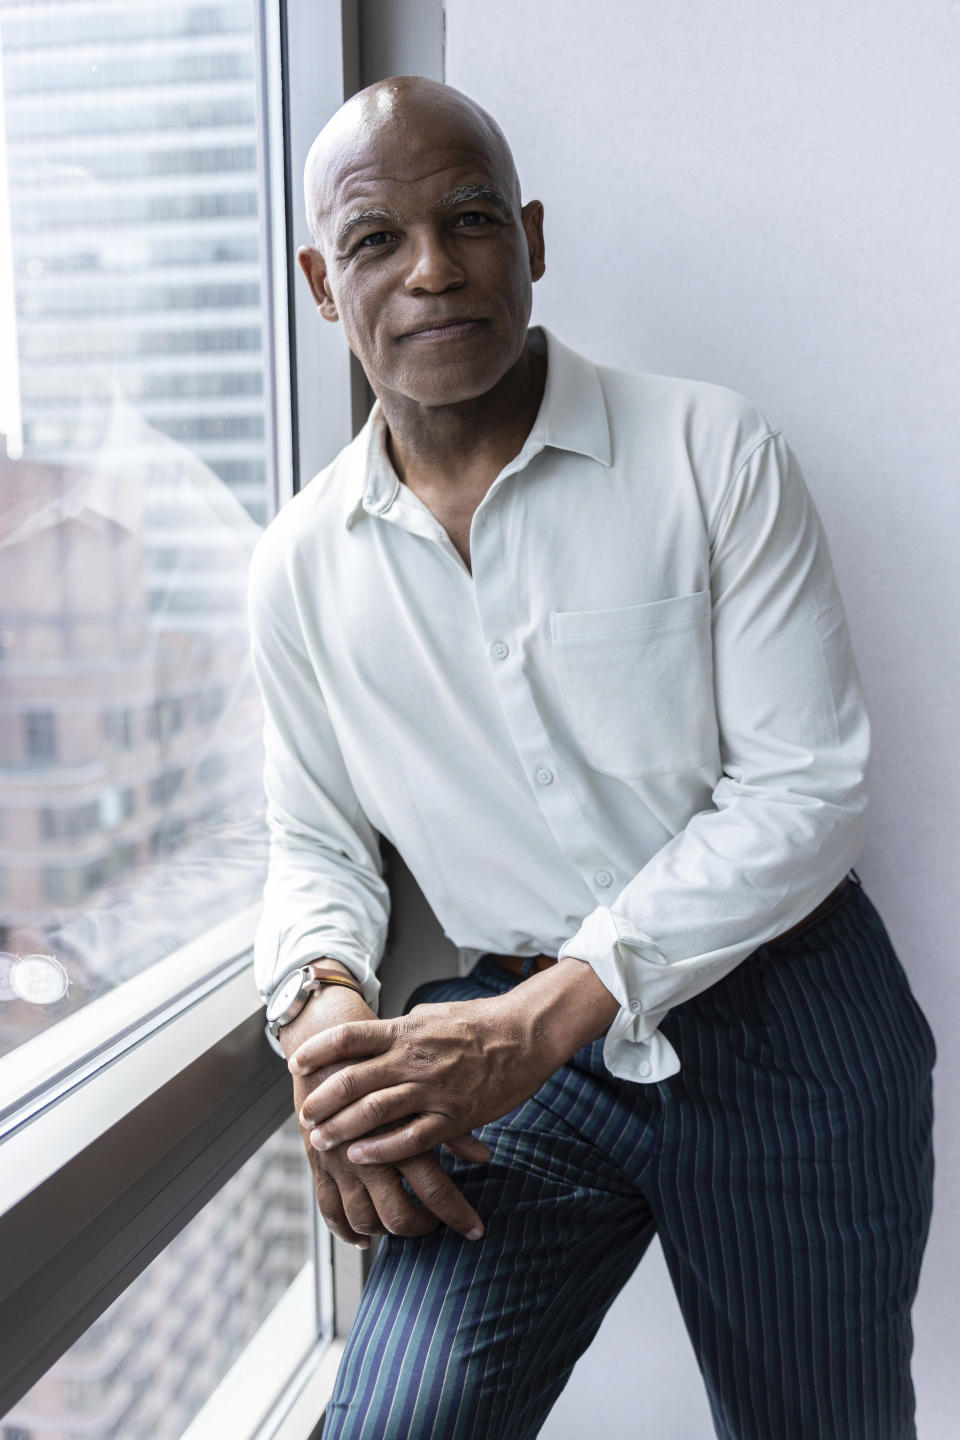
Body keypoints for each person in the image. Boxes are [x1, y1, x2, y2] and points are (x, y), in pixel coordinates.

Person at [248, 75, 935, 1440]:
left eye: (472, 219)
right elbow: (317, 844)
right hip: (509, 1052)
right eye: (379, 240)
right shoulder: (298, 568)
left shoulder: (712, 451)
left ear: (533, 239)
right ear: (325, 285)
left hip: (786, 1019)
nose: (435, 267)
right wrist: (321, 1014)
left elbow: (805, 793)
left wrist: (544, 1017)